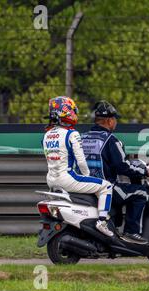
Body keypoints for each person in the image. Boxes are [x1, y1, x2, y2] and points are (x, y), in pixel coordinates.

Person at [81, 100, 149, 244]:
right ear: (109, 121)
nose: (116, 122)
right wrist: (144, 170)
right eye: (115, 119)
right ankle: (131, 232)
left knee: (125, 191)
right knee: (141, 192)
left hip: (83, 186)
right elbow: (122, 166)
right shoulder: (110, 140)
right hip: (105, 188)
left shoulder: (82, 138)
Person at [43, 96, 115, 237]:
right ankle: (102, 222)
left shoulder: (47, 135)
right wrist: (87, 176)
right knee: (106, 186)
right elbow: (81, 161)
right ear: (67, 112)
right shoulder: (72, 134)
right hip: (68, 178)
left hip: (51, 180)